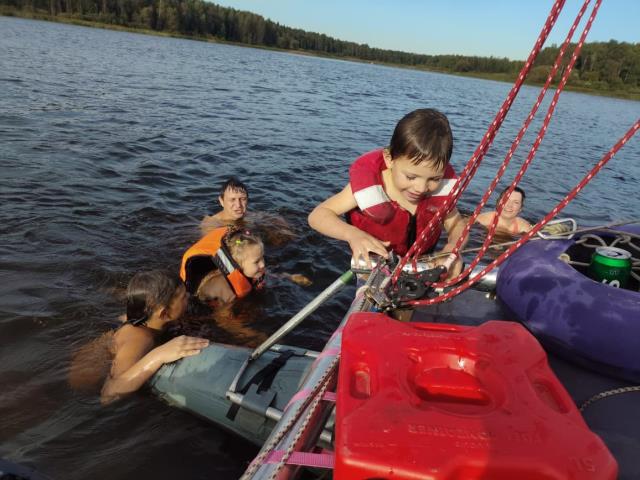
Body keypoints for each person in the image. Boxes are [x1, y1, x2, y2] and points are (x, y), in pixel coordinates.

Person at [308, 108, 467, 277]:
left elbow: (457, 226)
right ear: (389, 159)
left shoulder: (439, 193)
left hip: (421, 268)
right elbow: (318, 215)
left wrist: (452, 248)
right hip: (374, 270)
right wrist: (352, 235)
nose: (421, 188)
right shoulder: (372, 188)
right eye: (411, 177)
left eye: (434, 179)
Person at [100, 270, 209, 404]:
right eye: (183, 297)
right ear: (164, 314)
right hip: (85, 386)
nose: (189, 296)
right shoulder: (141, 339)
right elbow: (108, 395)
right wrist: (159, 355)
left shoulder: (139, 318)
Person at [180, 226, 266, 306]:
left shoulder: (251, 268)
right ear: (237, 263)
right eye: (257, 261)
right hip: (205, 303)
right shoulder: (226, 288)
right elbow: (223, 315)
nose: (262, 264)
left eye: (262, 257)